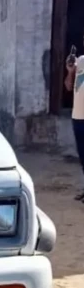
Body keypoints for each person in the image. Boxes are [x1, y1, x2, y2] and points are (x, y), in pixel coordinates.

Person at [64, 44, 84, 200]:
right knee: (83, 157)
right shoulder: (80, 61)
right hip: (77, 117)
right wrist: (70, 72)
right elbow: (69, 86)